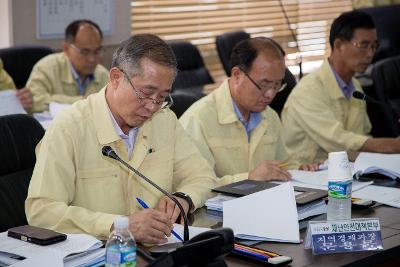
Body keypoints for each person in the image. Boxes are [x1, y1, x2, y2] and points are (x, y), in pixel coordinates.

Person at [25, 34, 217, 243]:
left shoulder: (164, 119)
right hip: (99, 254)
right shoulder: (69, 127)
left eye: (162, 97)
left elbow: (203, 176)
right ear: (116, 77)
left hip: (158, 249)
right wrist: (119, 225)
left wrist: (184, 198)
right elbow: (42, 211)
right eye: (146, 93)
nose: (152, 106)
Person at [179, 37, 318, 186]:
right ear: (237, 75)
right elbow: (193, 186)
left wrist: (299, 170)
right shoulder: (197, 119)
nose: (270, 94)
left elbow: (283, 163)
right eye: (263, 84)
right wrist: (249, 178)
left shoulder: (269, 116)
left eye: (277, 85)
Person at [281, 10, 400, 165]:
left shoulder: (355, 86)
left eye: (374, 46)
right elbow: (339, 143)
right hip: (305, 176)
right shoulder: (309, 91)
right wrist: (392, 146)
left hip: (343, 170)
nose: (370, 54)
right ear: (338, 45)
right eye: (363, 46)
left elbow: (361, 136)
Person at [26, 19, 109, 113]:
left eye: (97, 51)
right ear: (66, 48)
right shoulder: (47, 67)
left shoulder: (103, 74)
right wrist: (82, 101)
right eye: (84, 52)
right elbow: (34, 101)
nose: (92, 59)